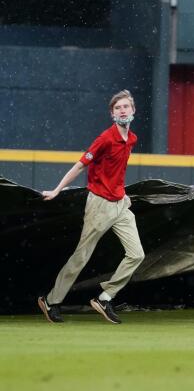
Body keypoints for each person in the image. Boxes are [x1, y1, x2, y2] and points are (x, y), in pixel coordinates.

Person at [37, 90, 145, 324]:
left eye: (126, 107)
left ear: (133, 111)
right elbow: (79, 166)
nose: (123, 110)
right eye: (118, 108)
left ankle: (105, 298)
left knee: (137, 254)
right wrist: (56, 190)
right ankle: (51, 300)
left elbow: (116, 170)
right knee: (81, 256)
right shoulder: (105, 139)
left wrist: (122, 193)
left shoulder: (132, 139)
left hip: (120, 204)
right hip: (100, 204)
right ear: (112, 114)